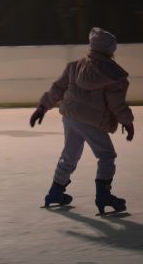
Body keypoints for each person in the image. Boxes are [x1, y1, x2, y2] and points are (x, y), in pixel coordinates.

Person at [30, 27, 134, 215]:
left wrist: (42, 107)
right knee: (106, 155)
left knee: (70, 154)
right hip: (92, 120)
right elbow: (116, 104)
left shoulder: (75, 66)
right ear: (110, 49)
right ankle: (103, 195)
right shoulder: (114, 75)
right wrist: (127, 122)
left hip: (70, 116)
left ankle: (55, 191)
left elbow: (58, 88)